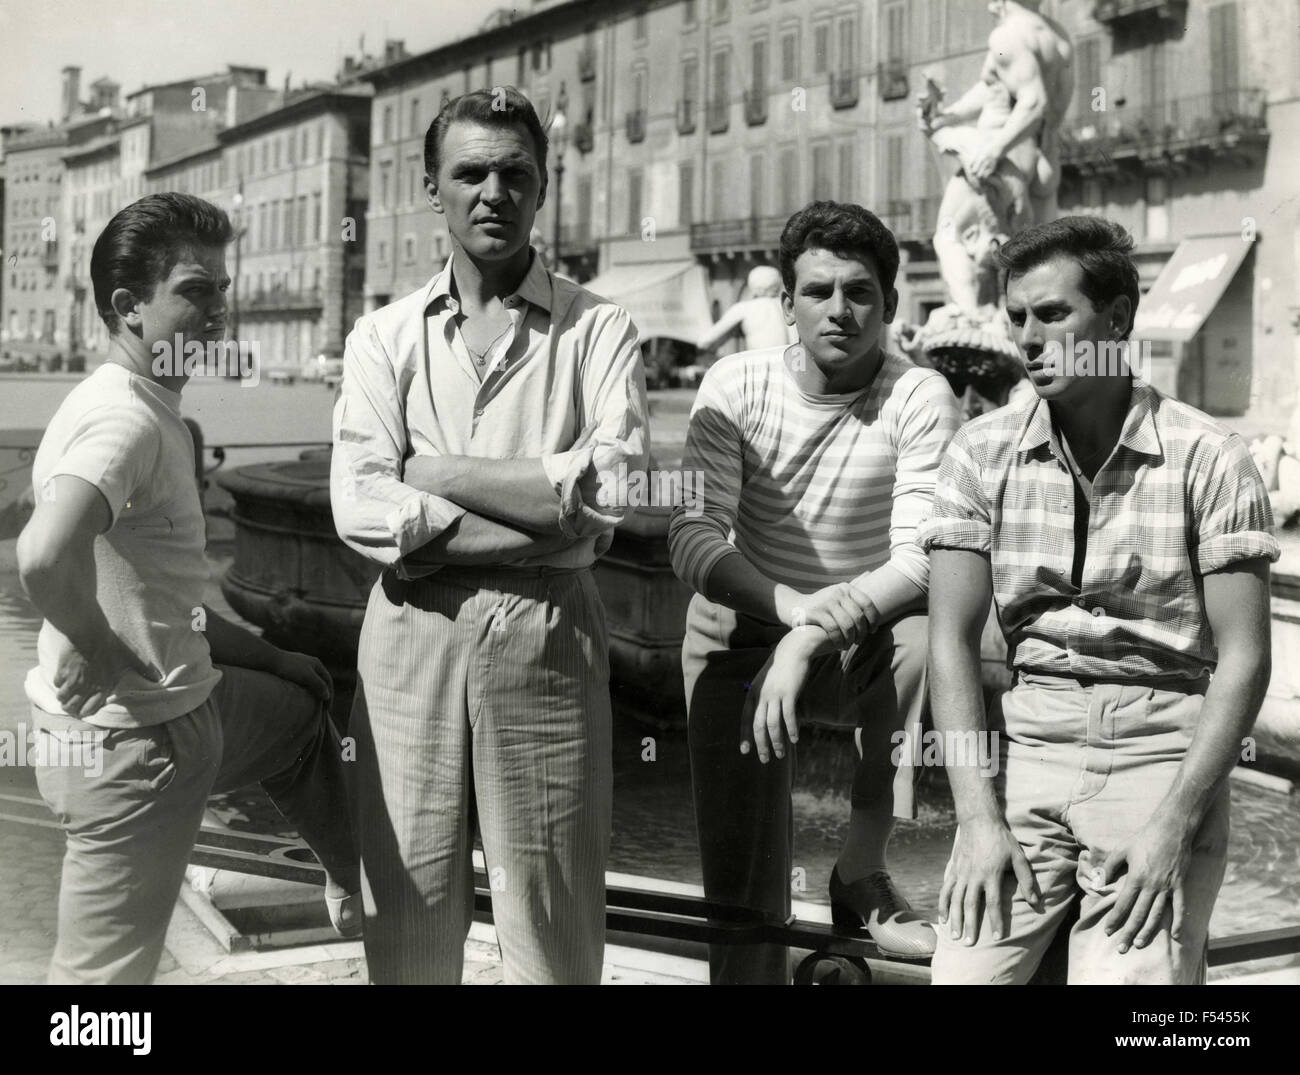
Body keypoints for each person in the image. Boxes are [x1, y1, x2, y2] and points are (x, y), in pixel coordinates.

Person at [331, 88, 649, 985]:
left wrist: (431, 479)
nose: (493, 192)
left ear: (543, 187)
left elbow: (614, 490)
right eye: (469, 172)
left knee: (550, 926)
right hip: (408, 641)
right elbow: (358, 505)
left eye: (515, 173)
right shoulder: (382, 335)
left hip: (546, 636)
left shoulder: (600, 327)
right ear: (432, 188)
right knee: (408, 922)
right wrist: (554, 509)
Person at [920, 216, 1278, 984]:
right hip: (1027, 747)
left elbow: (1245, 656)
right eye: (1017, 316)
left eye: (1053, 314)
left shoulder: (1209, 458)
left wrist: (1176, 823)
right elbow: (948, 641)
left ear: (1117, 319)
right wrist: (976, 819)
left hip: (1161, 748)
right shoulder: (980, 450)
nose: (1029, 337)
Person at [16, 193, 361, 985]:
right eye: (196, 291)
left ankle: (352, 879)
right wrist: (96, 643)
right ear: (129, 308)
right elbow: (41, 554)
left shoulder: (138, 405)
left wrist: (271, 656)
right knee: (101, 987)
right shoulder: (125, 422)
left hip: (182, 714)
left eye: (223, 291)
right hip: (134, 745)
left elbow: (167, 603)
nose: (219, 313)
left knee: (303, 716)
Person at [669, 202, 962, 984]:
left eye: (861, 291)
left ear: (891, 306)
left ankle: (859, 871)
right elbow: (692, 535)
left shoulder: (920, 395)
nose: (840, 309)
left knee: (928, 633)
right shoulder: (734, 385)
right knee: (742, 895)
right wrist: (794, 614)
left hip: (860, 634)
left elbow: (922, 558)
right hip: (741, 625)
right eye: (819, 290)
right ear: (787, 305)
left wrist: (812, 636)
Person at [918, 0, 1073, 313]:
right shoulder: (1058, 36)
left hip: (1002, 161)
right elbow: (997, 87)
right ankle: (1022, 329)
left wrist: (994, 150)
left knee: (949, 236)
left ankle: (970, 319)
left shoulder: (1006, 36)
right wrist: (949, 115)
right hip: (1042, 164)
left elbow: (1033, 101)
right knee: (1034, 261)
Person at [696, 265, 797, 354]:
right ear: (778, 283)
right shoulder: (791, 307)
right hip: (792, 367)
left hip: (761, 369)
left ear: (752, 285)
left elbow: (704, 342)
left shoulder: (744, 308)